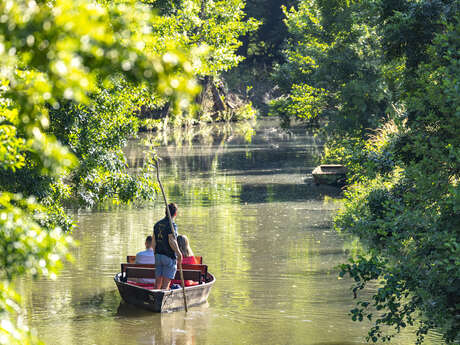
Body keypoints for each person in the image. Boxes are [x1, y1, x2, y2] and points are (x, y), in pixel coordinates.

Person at [152, 203, 182, 290]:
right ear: (175, 214)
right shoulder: (172, 225)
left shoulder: (157, 224)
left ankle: (155, 300)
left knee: (157, 283)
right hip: (168, 256)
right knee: (165, 284)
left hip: (158, 255)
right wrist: (179, 253)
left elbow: (153, 242)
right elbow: (171, 240)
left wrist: (155, 254)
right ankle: (163, 301)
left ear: (165, 212)